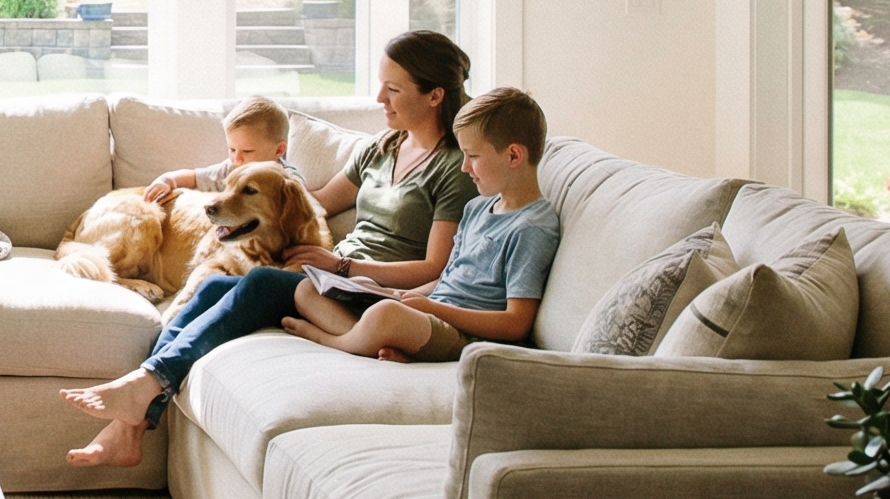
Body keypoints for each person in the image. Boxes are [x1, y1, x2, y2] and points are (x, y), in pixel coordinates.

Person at [61, 30, 476, 469]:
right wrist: (241, 189)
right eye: (381, 84)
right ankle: (132, 422)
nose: (379, 98)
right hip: (324, 276)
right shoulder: (383, 147)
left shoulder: (455, 166)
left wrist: (341, 264)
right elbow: (315, 202)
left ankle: (137, 400)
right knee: (209, 289)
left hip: (367, 290)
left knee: (258, 282)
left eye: (393, 89)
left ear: (434, 95)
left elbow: (438, 266)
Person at [280, 87, 558, 363]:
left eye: (473, 156)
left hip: (466, 335)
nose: (464, 167)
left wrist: (433, 309)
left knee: (386, 315)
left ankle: (330, 339)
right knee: (308, 289)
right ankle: (380, 340)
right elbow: (447, 277)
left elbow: (516, 323)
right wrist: (398, 294)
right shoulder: (477, 207)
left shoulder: (531, 228)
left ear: (513, 156)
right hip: (431, 313)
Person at [140, 94, 300, 199]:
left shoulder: (288, 179)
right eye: (232, 150)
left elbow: (304, 206)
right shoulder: (230, 169)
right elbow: (194, 177)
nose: (237, 159)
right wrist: (167, 181)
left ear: (278, 150)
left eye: (247, 151)